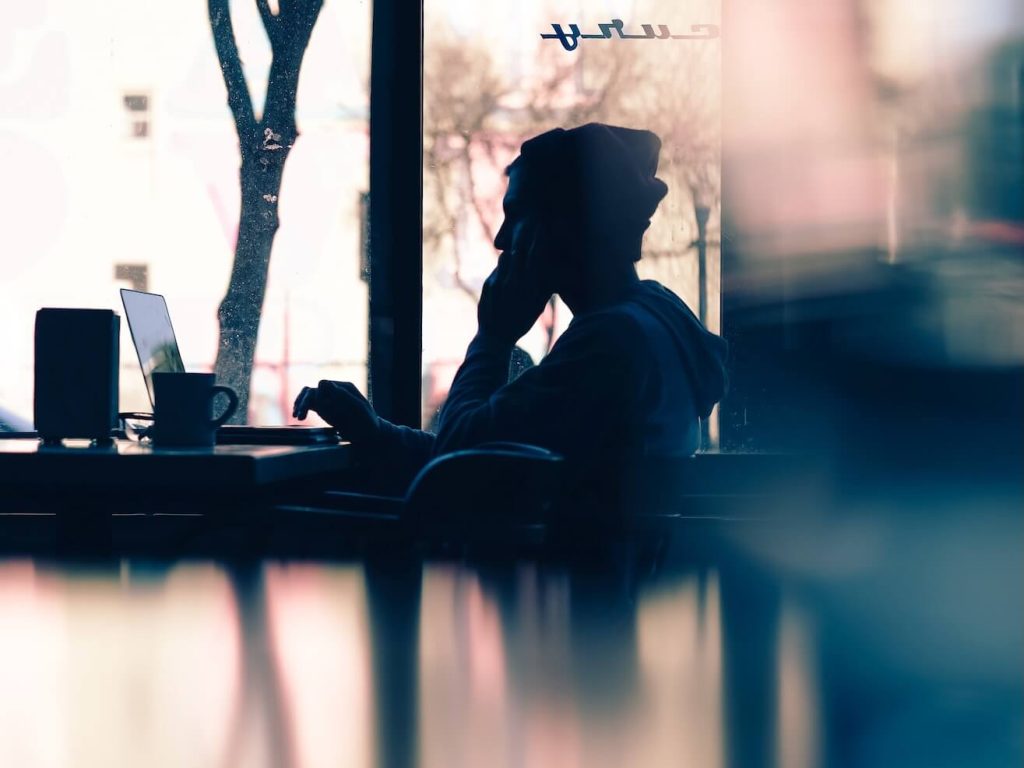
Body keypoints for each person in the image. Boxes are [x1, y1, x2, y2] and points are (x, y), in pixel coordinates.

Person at [294, 123, 728, 499]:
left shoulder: (609, 343)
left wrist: (493, 339)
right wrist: (376, 433)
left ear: (569, 224)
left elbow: (459, 465)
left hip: (559, 585)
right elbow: (491, 448)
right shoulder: (651, 317)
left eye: (517, 214)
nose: (502, 239)